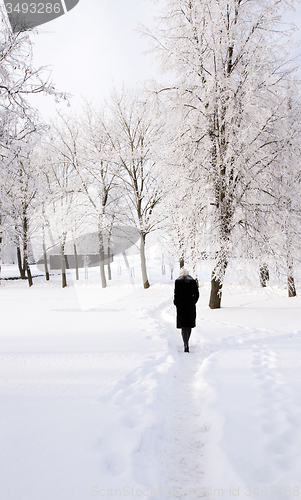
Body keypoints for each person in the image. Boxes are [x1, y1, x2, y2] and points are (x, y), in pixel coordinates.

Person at [173, 268, 199, 352]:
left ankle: (185, 344)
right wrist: (193, 302)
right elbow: (197, 294)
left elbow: (176, 294)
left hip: (181, 306)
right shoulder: (192, 281)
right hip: (190, 306)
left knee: (183, 326)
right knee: (189, 325)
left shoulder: (177, 282)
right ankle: (187, 341)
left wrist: (177, 303)